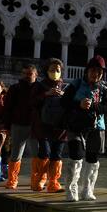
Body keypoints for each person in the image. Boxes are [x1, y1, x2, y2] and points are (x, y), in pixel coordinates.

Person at [62, 56, 107, 201]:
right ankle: (71, 190)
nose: (96, 74)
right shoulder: (75, 84)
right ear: (87, 71)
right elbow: (64, 101)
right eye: (94, 71)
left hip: (96, 127)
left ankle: (87, 190)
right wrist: (79, 104)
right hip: (76, 126)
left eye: (100, 72)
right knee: (76, 155)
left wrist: (93, 106)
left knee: (93, 159)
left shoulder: (103, 89)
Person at [31, 59, 67, 193]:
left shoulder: (65, 87)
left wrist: (64, 96)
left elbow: (71, 105)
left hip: (60, 128)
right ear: (46, 71)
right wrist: (46, 94)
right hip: (43, 126)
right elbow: (32, 102)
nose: (55, 72)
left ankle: (53, 183)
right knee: (45, 152)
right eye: (52, 70)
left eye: (58, 70)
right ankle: (39, 180)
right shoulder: (39, 86)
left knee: (57, 155)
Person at [3, 64, 39, 189]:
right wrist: (7, 126)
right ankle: (12, 180)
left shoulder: (40, 88)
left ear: (36, 75)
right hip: (18, 124)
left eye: (29, 74)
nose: (26, 76)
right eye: (24, 74)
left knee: (37, 154)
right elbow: (8, 108)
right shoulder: (14, 88)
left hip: (35, 125)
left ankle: (36, 181)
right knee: (16, 154)